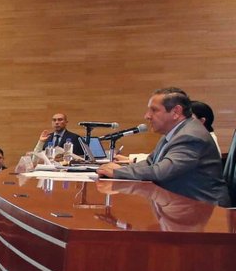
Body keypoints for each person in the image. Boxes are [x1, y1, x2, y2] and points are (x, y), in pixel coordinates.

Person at [97, 87, 229, 205]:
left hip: (204, 208)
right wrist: (118, 169)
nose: (147, 116)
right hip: (182, 204)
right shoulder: (173, 132)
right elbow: (150, 162)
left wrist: (118, 172)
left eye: (154, 110)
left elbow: (162, 172)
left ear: (176, 112)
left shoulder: (190, 136)